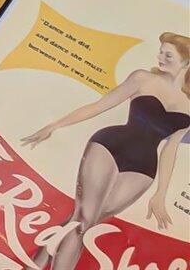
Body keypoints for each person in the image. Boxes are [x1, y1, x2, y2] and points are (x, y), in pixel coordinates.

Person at [23, 32, 190, 267]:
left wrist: (160, 193)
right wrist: (55, 125)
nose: (160, 57)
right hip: (108, 147)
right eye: (160, 51)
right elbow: (99, 106)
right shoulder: (143, 78)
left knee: (82, 222)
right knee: (83, 221)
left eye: (168, 54)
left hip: (143, 169)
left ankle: (35, 264)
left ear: (186, 62)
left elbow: (170, 149)